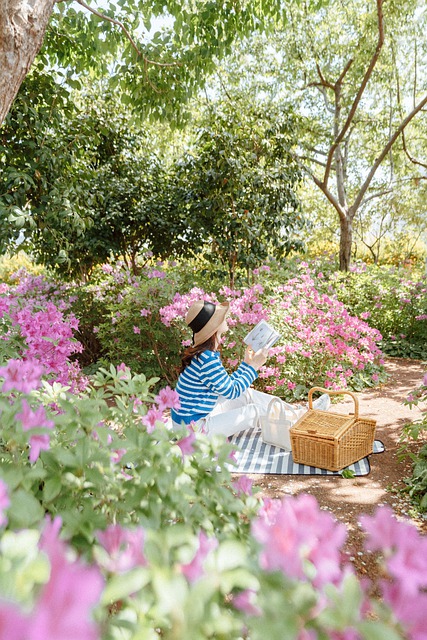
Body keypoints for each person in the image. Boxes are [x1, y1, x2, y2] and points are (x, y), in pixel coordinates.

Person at [171, 299, 329, 439]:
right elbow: (231, 392)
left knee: (246, 394)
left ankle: (303, 412)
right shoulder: (206, 359)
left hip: (193, 422)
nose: (225, 318)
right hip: (194, 431)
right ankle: (304, 419)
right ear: (214, 328)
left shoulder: (203, 354)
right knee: (255, 412)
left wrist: (247, 364)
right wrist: (254, 366)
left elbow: (227, 386)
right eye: (220, 318)